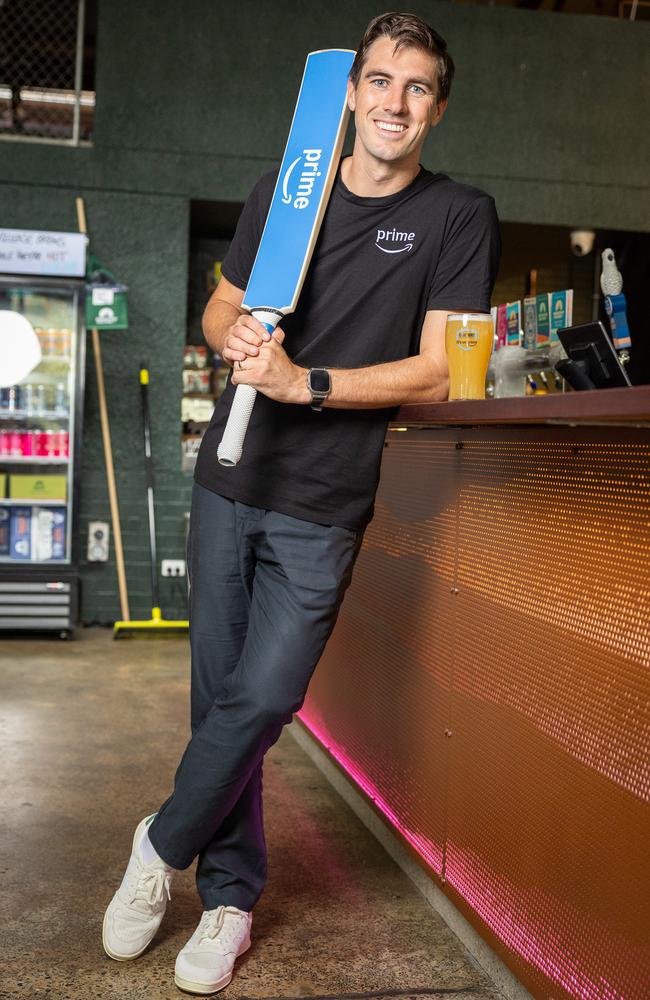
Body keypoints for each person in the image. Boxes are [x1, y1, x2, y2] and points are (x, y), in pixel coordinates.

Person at [102, 11, 500, 995]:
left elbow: (441, 373)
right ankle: (229, 899)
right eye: (378, 81)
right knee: (216, 701)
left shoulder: (457, 215)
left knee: (267, 696)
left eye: (415, 88)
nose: (393, 102)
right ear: (349, 93)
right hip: (229, 482)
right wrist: (235, 340)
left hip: (323, 502)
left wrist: (302, 382)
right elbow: (220, 307)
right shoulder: (286, 193)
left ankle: (158, 845)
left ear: (435, 109)